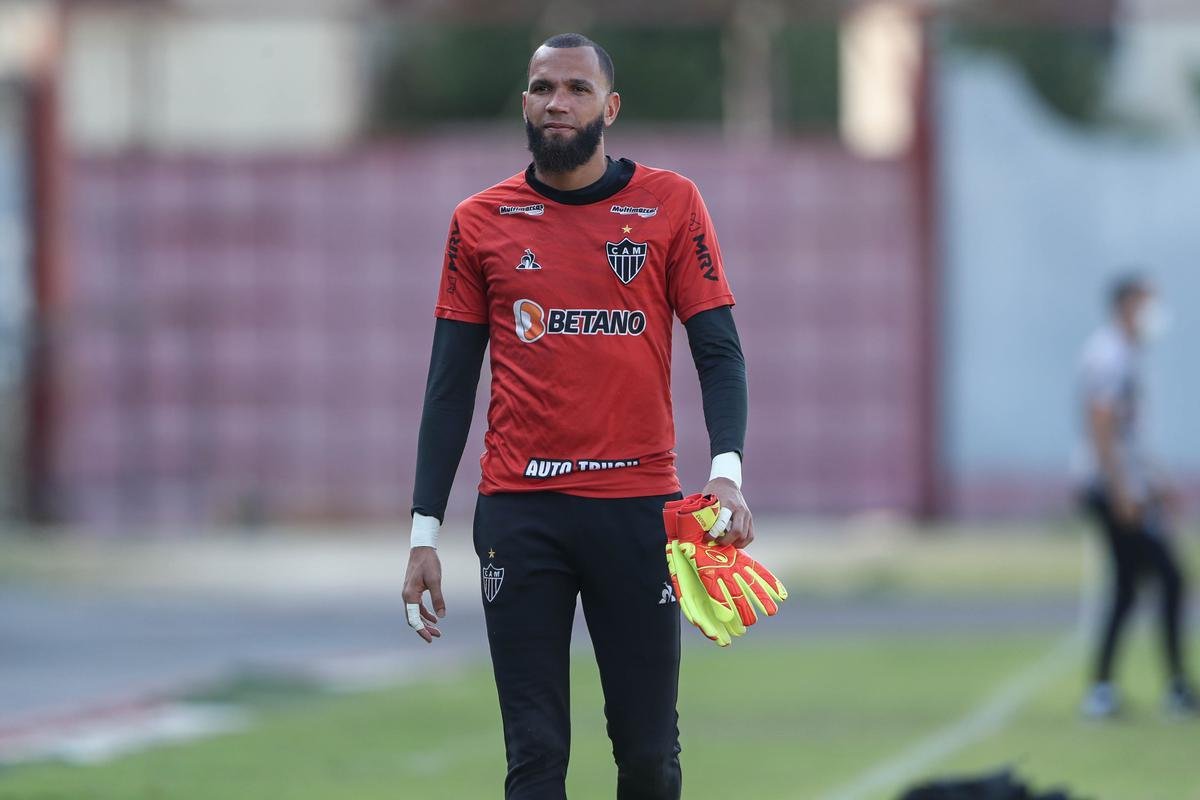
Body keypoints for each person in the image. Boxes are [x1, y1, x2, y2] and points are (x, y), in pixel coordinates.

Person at [401, 33, 752, 799]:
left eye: (577, 88)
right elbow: (449, 386)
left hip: (638, 512)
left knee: (649, 756)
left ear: (610, 107)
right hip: (520, 516)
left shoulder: (671, 204)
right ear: (525, 102)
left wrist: (726, 474)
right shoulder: (479, 221)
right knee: (534, 757)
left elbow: (719, 354)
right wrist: (425, 531)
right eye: (543, 87)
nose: (558, 101)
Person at [1076, 274, 1196, 719]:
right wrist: (1123, 488)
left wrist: (1157, 479)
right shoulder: (1108, 354)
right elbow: (1101, 422)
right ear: (1127, 305)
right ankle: (1174, 688)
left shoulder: (1126, 353)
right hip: (1112, 489)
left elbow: (1129, 434)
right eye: (1149, 303)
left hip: (1126, 485)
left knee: (1130, 588)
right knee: (1168, 577)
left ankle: (1104, 690)